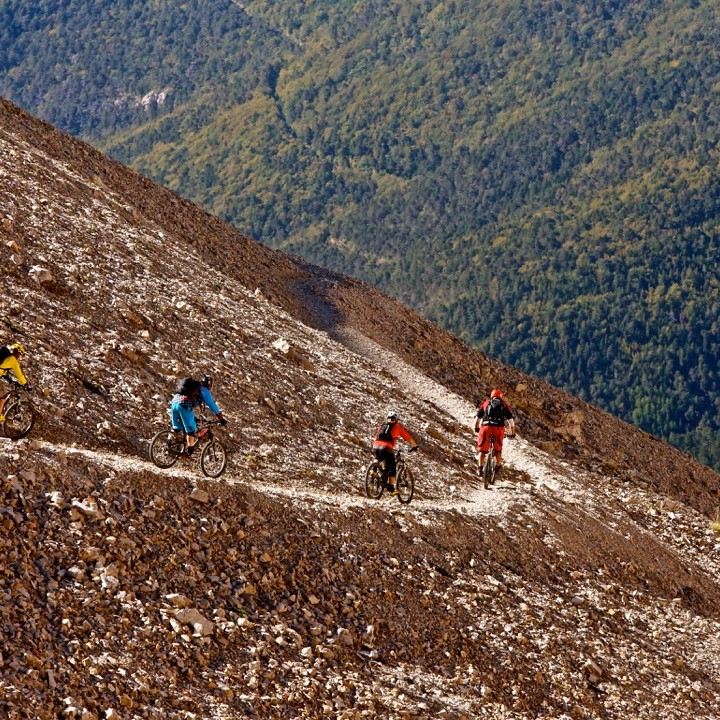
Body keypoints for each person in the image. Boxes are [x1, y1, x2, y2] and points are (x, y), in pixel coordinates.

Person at [170, 374, 227, 455]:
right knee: (190, 430)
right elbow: (212, 405)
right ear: (209, 384)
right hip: (184, 404)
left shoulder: (193, 388)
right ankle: (189, 451)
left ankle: (168, 443)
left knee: (176, 427)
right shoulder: (204, 390)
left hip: (174, 402)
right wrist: (221, 419)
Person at [372, 411, 418, 495]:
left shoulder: (382, 426)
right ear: (396, 420)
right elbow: (409, 438)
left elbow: (376, 436)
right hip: (387, 447)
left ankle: (374, 469)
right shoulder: (398, 427)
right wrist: (414, 447)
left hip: (375, 446)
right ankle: (391, 488)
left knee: (378, 458)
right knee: (392, 468)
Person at [475, 389, 515, 474]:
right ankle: (498, 465)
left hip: (486, 427)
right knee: (498, 449)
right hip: (498, 428)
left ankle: (479, 468)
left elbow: (478, 418)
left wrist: (476, 428)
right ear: (501, 396)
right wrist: (513, 433)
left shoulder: (486, 403)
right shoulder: (504, 404)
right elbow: (511, 421)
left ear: (491, 395)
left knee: (482, 449)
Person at [0, 343, 31, 421]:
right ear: (18, 354)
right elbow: (19, 375)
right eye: (20, 355)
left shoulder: (5, 356)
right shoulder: (13, 360)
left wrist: (8, 378)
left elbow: (2, 368)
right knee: (3, 394)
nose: (19, 357)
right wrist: (26, 384)